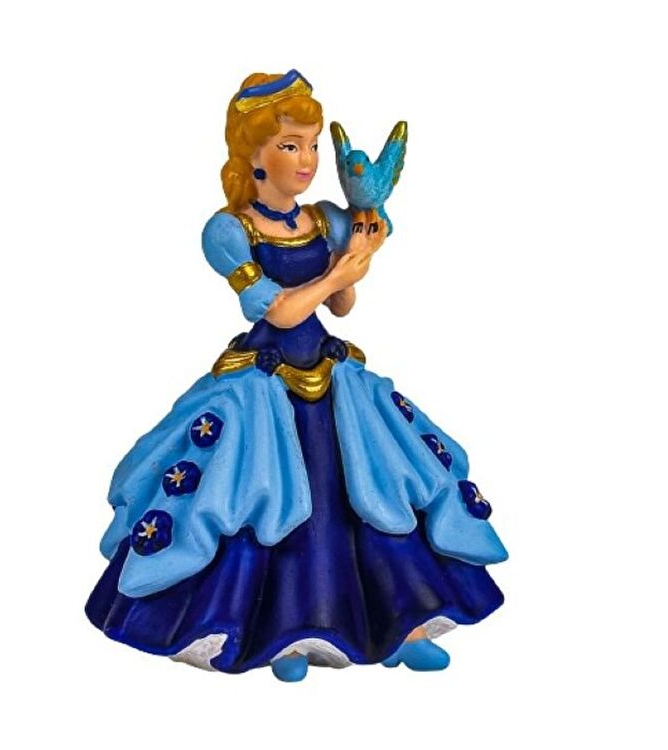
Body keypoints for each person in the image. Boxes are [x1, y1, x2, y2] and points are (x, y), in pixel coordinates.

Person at [85, 70, 507, 682]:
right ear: (253, 156)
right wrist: (336, 274)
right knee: (261, 497)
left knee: (375, 488)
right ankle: (281, 637)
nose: (307, 160)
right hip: (263, 384)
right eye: (290, 146)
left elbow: (341, 306)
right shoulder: (230, 231)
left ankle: (404, 624)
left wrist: (358, 255)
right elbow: (277, 310)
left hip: (331, 376)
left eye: (311, 144)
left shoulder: (321, 220)